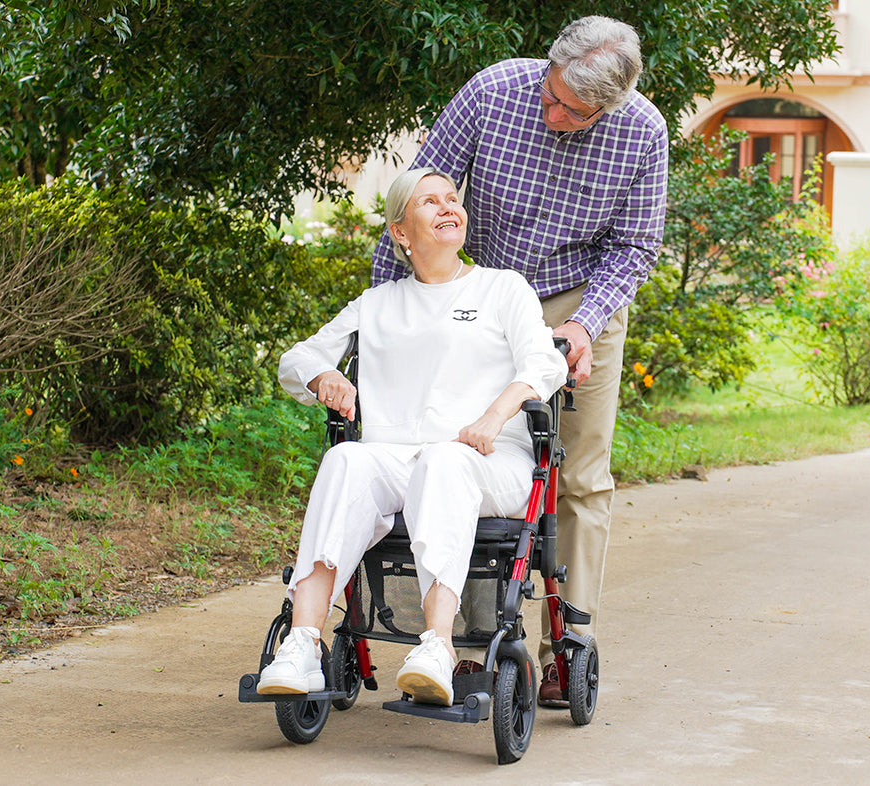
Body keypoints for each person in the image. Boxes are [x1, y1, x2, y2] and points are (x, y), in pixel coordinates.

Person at [370, 15, 667, 706]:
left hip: (581, 301)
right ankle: (471, 644)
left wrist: (587, 325)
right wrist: (392, 314)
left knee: (579, 474)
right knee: (467, 456)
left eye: (573, 110)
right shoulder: (494, 92)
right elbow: (415, 200)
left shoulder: (643, 132)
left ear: (610, 106)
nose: (553, 111)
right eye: (552, 93)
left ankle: (569, 642)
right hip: (483, 298)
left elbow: (635, 246)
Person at [256, 168, 567, 706]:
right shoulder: (377, 304)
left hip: (487, 460)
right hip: (395, 458)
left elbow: (545, 361)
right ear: (401, 232)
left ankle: (438, 646)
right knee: (345, 461)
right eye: (430, 202)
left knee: (443, 462)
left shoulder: (502, 288)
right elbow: (297, 357)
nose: (449, 208)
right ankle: (304, 643)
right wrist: (323, 376)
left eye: (453, 199)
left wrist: (496, 414)